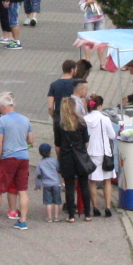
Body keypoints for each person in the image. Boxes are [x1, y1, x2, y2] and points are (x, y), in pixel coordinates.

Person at [0, 93, 32, 229]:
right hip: (24, 157)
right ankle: (22, 220)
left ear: (2, 106)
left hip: (8, 157)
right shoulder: (25, 120)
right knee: (22, 189)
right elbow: (31, 140)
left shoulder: (1, 121)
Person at [55, 87, 94, 219]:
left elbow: (58, 145)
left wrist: (59, 158)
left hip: (67, 157)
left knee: (69, 187)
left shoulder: (60, 125)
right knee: (84, 185)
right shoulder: (81, 124)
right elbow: (86, 142)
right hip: (80, 156)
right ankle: (87, 214)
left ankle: (71, 215)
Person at [85, 94, 119, 216]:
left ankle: (94, 207)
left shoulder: (85, 119)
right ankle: (108, 207)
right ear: (100, 106)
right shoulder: (104, 119)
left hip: (91, 152)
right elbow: (112, 136)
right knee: (107, 180)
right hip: (105, 153)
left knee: (92, 181)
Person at [36, 142, 63, 223]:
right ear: (50, 152)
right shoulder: (54, 161)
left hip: (46, 184)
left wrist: (38, 185)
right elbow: (58, 169)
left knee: (48, 202)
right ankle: (56, 217)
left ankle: (49, 217)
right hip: (56, 183)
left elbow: (38, 175)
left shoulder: (40, 163)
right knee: (57, 201)